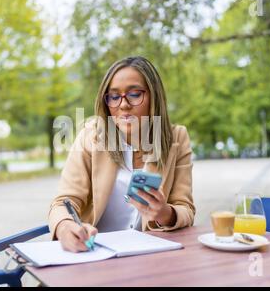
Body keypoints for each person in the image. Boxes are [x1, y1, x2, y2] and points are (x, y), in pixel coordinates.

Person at [49, 56, 195, 252]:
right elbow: (63, 202)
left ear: (154, 96)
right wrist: (66, 227)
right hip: (95, 253)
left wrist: (165, 213)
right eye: (114, 96)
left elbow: (185, 209)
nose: (123, 104)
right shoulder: (90, 136)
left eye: (134, 94)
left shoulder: (177, 137)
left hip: (149, 255)